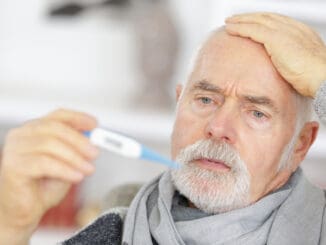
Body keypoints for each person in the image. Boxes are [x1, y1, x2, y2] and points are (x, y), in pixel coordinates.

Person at [0, 12, 326, 245]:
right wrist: (10, 226)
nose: (218, 128)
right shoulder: (112, 231)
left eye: (256, 113)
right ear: (178, 103)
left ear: (301, 144)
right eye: (205, 99)